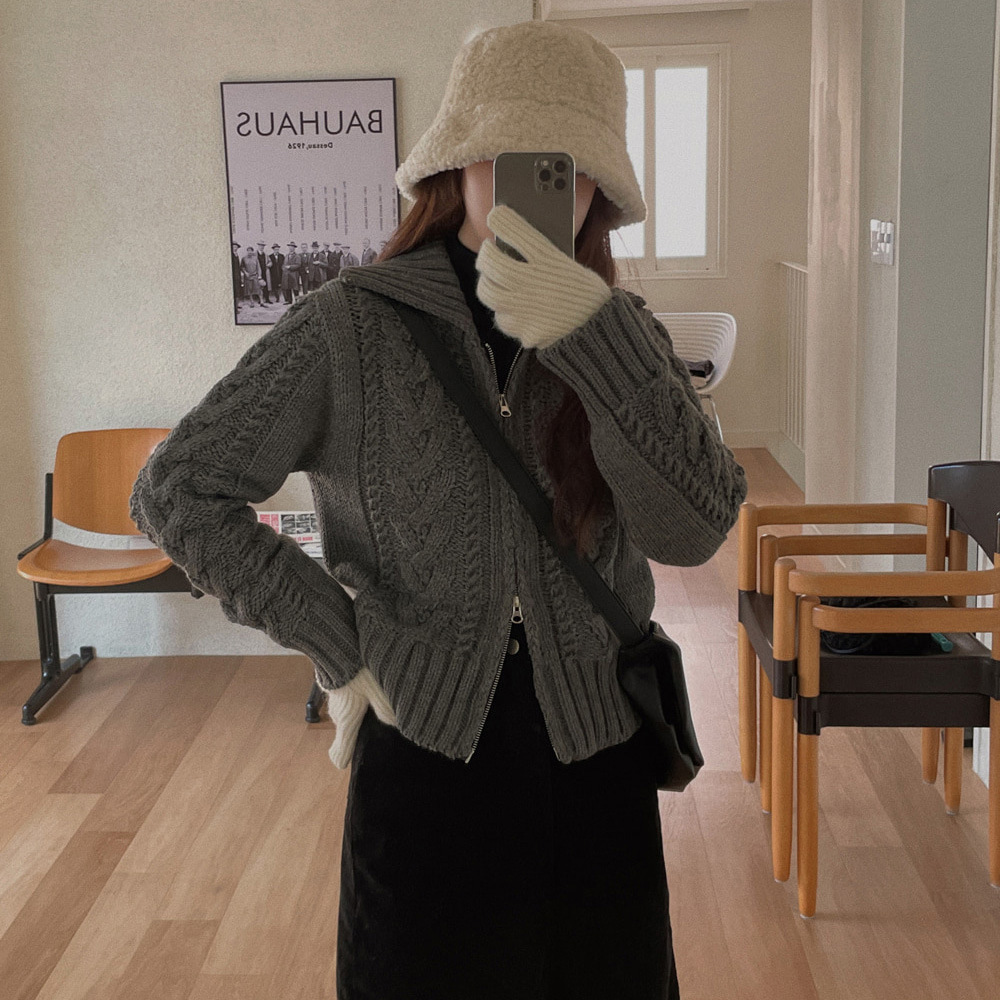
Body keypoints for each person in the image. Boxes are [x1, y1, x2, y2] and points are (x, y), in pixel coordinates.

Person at [128, 19, 746, 1000]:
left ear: (598, 185)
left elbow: (693, 527)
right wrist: (337, 644)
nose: (536, 184)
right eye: (506, 153)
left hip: (598, 760)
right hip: (422, 756)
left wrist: (592, 338)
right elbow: (176, 489)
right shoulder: (349, 325)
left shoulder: (622, 333)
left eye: (567, 165)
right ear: (456, 160)